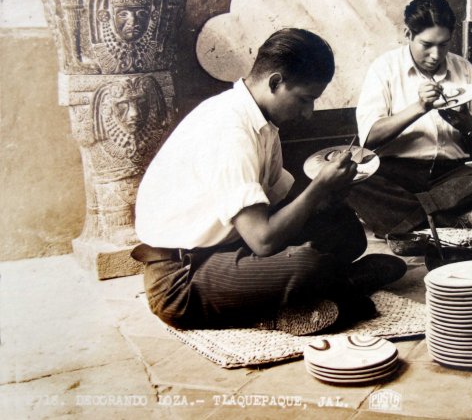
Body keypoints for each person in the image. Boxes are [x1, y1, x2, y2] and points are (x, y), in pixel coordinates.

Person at [133, 28, 406, 334]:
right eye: (305, 100)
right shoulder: (229, 130)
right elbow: (263, 240)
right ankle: (334, 289)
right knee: (306, 266)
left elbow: (283, 206)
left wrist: (330, 193)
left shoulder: (261, 123)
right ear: (275, 82)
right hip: (181, 280)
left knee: (346, 230)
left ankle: (326, 290)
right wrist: (318, 187)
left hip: (229, 248)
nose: (308, 114)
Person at [347, 0, 472, 237]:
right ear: (408, 35)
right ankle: (453, 220)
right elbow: (370, 137)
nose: (437, 55)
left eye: (444, 44)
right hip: (398, 173)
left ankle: (406, 223)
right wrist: (419, 107)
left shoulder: (465, 69)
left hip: (452, 174)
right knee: (352, 179)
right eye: (427, 45)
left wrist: (467, 126)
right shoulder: (384, 68)